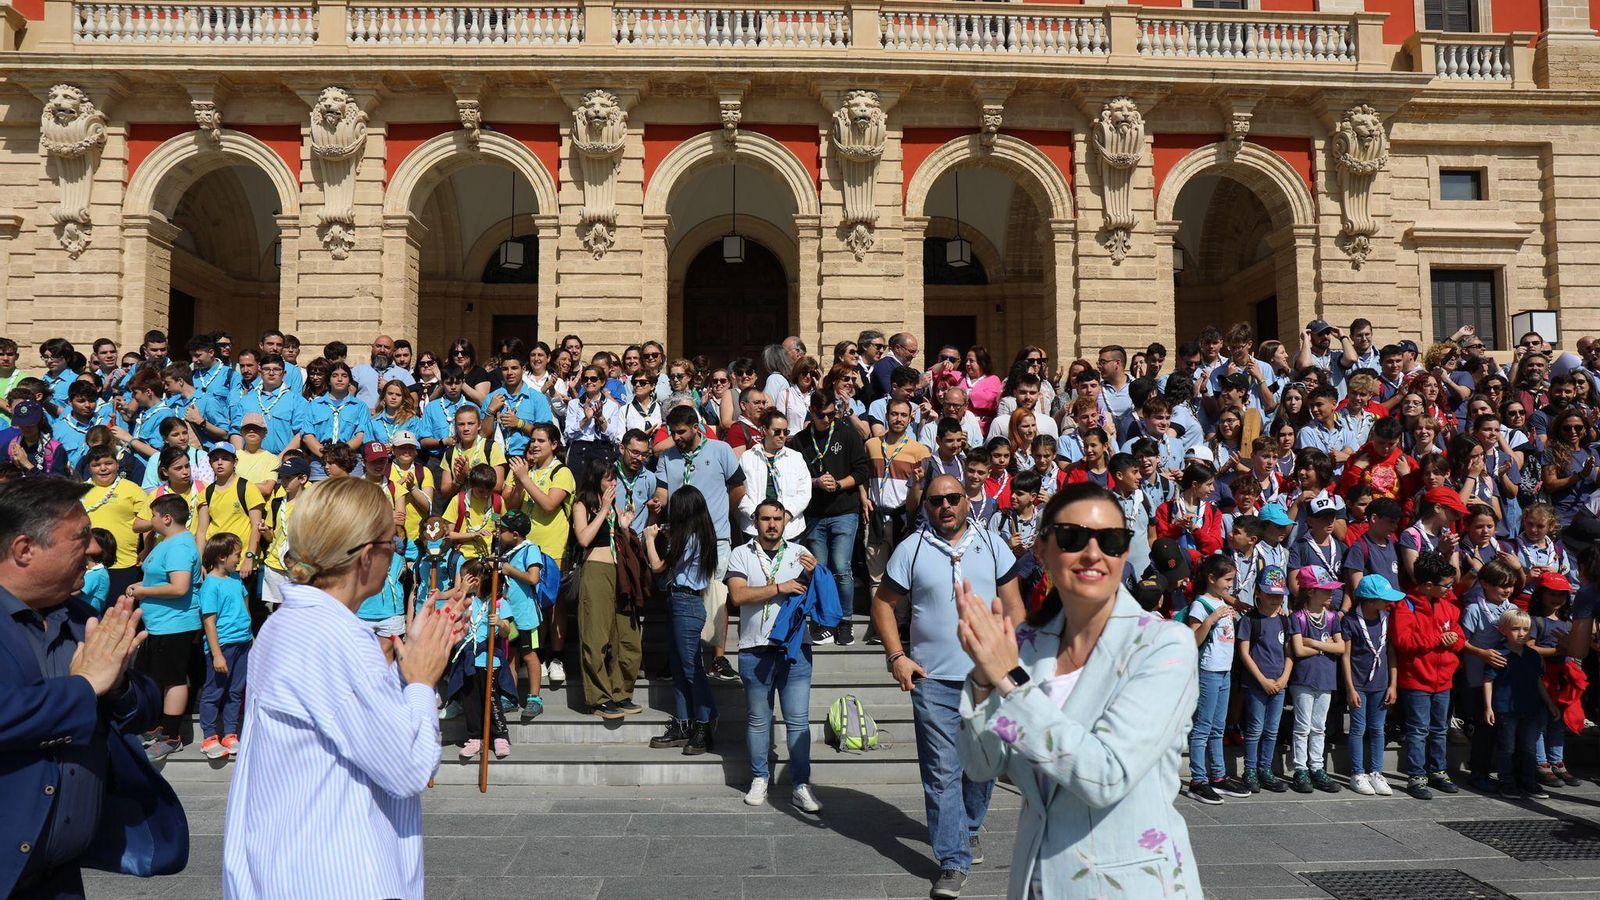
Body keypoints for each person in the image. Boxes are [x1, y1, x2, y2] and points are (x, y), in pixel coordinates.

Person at [955, 482, 1202, 899]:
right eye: (1072, 538)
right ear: (1043, 550)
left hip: (1130, 887)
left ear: (1125, 553)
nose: (1093, 553)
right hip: (1038, 881)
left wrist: (1009, 681)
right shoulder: (1029, 645)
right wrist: (982, 676)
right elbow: (981, 766)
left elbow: (1106, 776)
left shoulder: (1164, 645)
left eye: (1110, 541)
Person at [221, 476, 462, 900]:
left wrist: (403, 667)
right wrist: (423, 683)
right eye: (392, 545)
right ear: (367, 557)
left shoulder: (281, 625)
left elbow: (347, 723)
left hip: (285, 868)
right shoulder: (338, 637)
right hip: (338, 875)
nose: (394, 554)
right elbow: (410, 768)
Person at [0, 477, 189, 898]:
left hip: (59, 877)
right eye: (80, 538)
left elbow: (143, 706)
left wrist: (118, 686)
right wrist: (86, 687)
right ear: (24, 550)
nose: (94, 549)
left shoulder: (81, 616)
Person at [873, 475, 1021, 899]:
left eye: (953, 498)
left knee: (983, 766)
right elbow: (883, 605)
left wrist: (1014, 665)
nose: (945, 506)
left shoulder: (992, 544)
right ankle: (952, 860)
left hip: (987, 678)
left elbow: (1015, 606)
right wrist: (898, 657)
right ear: (926, 506)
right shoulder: (911, 549)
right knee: (941, 772)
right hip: (933, 680)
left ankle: (969, 828)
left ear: (965, 500)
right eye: (936, 500)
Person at [727, 499, 823, 812]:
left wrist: (818, 575)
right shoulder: (741, 553)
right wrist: (780, 587)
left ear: (786, 521)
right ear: (755, 521)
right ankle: (759, 778)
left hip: (795, 649)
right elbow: (738, 595)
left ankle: (800, 785)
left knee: (798, 722)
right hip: (754, 648)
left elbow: (819, 599)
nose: (772, 524)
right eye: (766, 518)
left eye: (777, 519)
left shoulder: (800, 554)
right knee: (758, 720)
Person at [127, 493, 203, 761]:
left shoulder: (180, 547)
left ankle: (171, 735)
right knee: (156, 676)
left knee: (173, 679)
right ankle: (158, 727)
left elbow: (180, 587)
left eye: (154, 516)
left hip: (175, 624)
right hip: (160, 623)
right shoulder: (167, 542)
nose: (151, 520)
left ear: (166, 518)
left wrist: (144, 591)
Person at [644, 486, 719, 755]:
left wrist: (651, 540)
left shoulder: (691, 538)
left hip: (687, 602)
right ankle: (684, 723)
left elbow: (657, 567)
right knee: (678, 667)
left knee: (690, 668)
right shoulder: (698, 534)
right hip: (680, 601)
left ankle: (704, 721)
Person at [791, 391, 870, 645]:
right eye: (821, 415)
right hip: (814, 514)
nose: (827, 419)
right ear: (811, 412)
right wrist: (815, 482)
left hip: (844, 511)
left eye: (831, 414)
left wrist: (838, 484)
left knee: (841, 568)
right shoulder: (800, 440)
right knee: (818, 569)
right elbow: (794, 476)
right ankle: (823, 620)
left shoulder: (847, 433)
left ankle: (845, 620)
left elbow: (861, 471)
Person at [570, 460, 643, 719]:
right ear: (595, 480)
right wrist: (602, 510)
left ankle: (621, 692)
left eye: (615, 479)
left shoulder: (612, 505)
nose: (613, 484)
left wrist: (623, 523)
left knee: (628, 636)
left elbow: (615, 534)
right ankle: (599, 697)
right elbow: (584, 538)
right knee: (596, 635)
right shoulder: (582, 504)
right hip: (596, 570)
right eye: (608, 479)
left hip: (619, 570)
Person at [1393, 549, 1465, 800]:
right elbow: (1403, 641)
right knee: (1418, 729)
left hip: (1444, 680)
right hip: (1416, 680)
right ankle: (1416, 775)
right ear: (1428, 585)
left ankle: (1439, 771)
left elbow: (1459, 638)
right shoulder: (1406, 605)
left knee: (1439, 729)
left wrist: (1453, 641)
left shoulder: (1449, 606)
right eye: (1445, 585)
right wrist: (1438, 639)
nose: (1449, 589)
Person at [1185, 553, 1246, 804]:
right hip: (1208, 671)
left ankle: (1218, 776)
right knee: (1202, 727)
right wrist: (1211, 620)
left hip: (1224, 670)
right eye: (1227, 580)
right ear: (1212, 578)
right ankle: (1198, 779)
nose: (1230, 585)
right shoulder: (1201, 605)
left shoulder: (1222, 601)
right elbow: (1193, 639)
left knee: (1218, 727)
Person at [1342, 574, 1402, 796]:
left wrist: (1393, 684)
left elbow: (1391, 653)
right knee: (1358, 728)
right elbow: (1346, 656)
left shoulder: (1387, 618)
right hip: (1358, 684)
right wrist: (1350, 688)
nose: (1389, 602)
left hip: (1381, 684)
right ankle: (1357, 773)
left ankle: (1376, 771)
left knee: (1378, 729)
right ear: (1369, 599)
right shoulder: (1350, 621)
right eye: (1384, 598)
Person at [1484, 607, 1553, 800]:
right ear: (1503, 629)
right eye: (1515, 629)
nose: (1521, 633)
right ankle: (1507, 781)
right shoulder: (1498, 653)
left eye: (1525, 629)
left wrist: (1550, 703)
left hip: (1531, 708)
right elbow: (1488, 680)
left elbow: (1538, 681)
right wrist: (1488, 707)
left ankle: (1528, 781)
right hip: (1505, 709)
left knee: (1529, 746)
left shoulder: (1533, 655)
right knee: (1507, 747)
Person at [1287, 566, 1345, 794]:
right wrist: (1324, 647)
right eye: (1325, 590)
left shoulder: (1331, 617)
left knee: (1319, 726)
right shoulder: (1298, 617)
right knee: (1302, 726)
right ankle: (1301, 769)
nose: (1331, 594)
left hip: (1326, 678)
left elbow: (1340, 647)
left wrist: (1314, 644)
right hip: (1304, 678)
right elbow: (1298, 651)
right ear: (1310, 592)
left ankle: (1317, 767)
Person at [1238, 566, 1293, 794]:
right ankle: (1250, 770)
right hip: (1257, 684)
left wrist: (1283, 678)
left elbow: (1290, 653)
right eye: (1270, 594)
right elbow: (1244, 653)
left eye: (1279, 595)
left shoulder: (1284, 621)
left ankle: (1265, 769)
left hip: (1279, 684)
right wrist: (1262, 680)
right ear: (1258, 592)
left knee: (1272, 730)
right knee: (1255, 729)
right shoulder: (1250, 620)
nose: (1274, 600)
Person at [197, 533, 251, 760]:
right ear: (221, 557)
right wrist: (217, 655)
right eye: (236, 554)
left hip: (243, 643)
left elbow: (245, 610)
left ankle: (230, 733)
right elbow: (209, 622)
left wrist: (252, 638)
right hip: (224, 646)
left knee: (235, 691)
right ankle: (209, 736)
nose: (238, 559)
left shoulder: (236, 580)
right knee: (214, 692)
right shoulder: (210, 585)